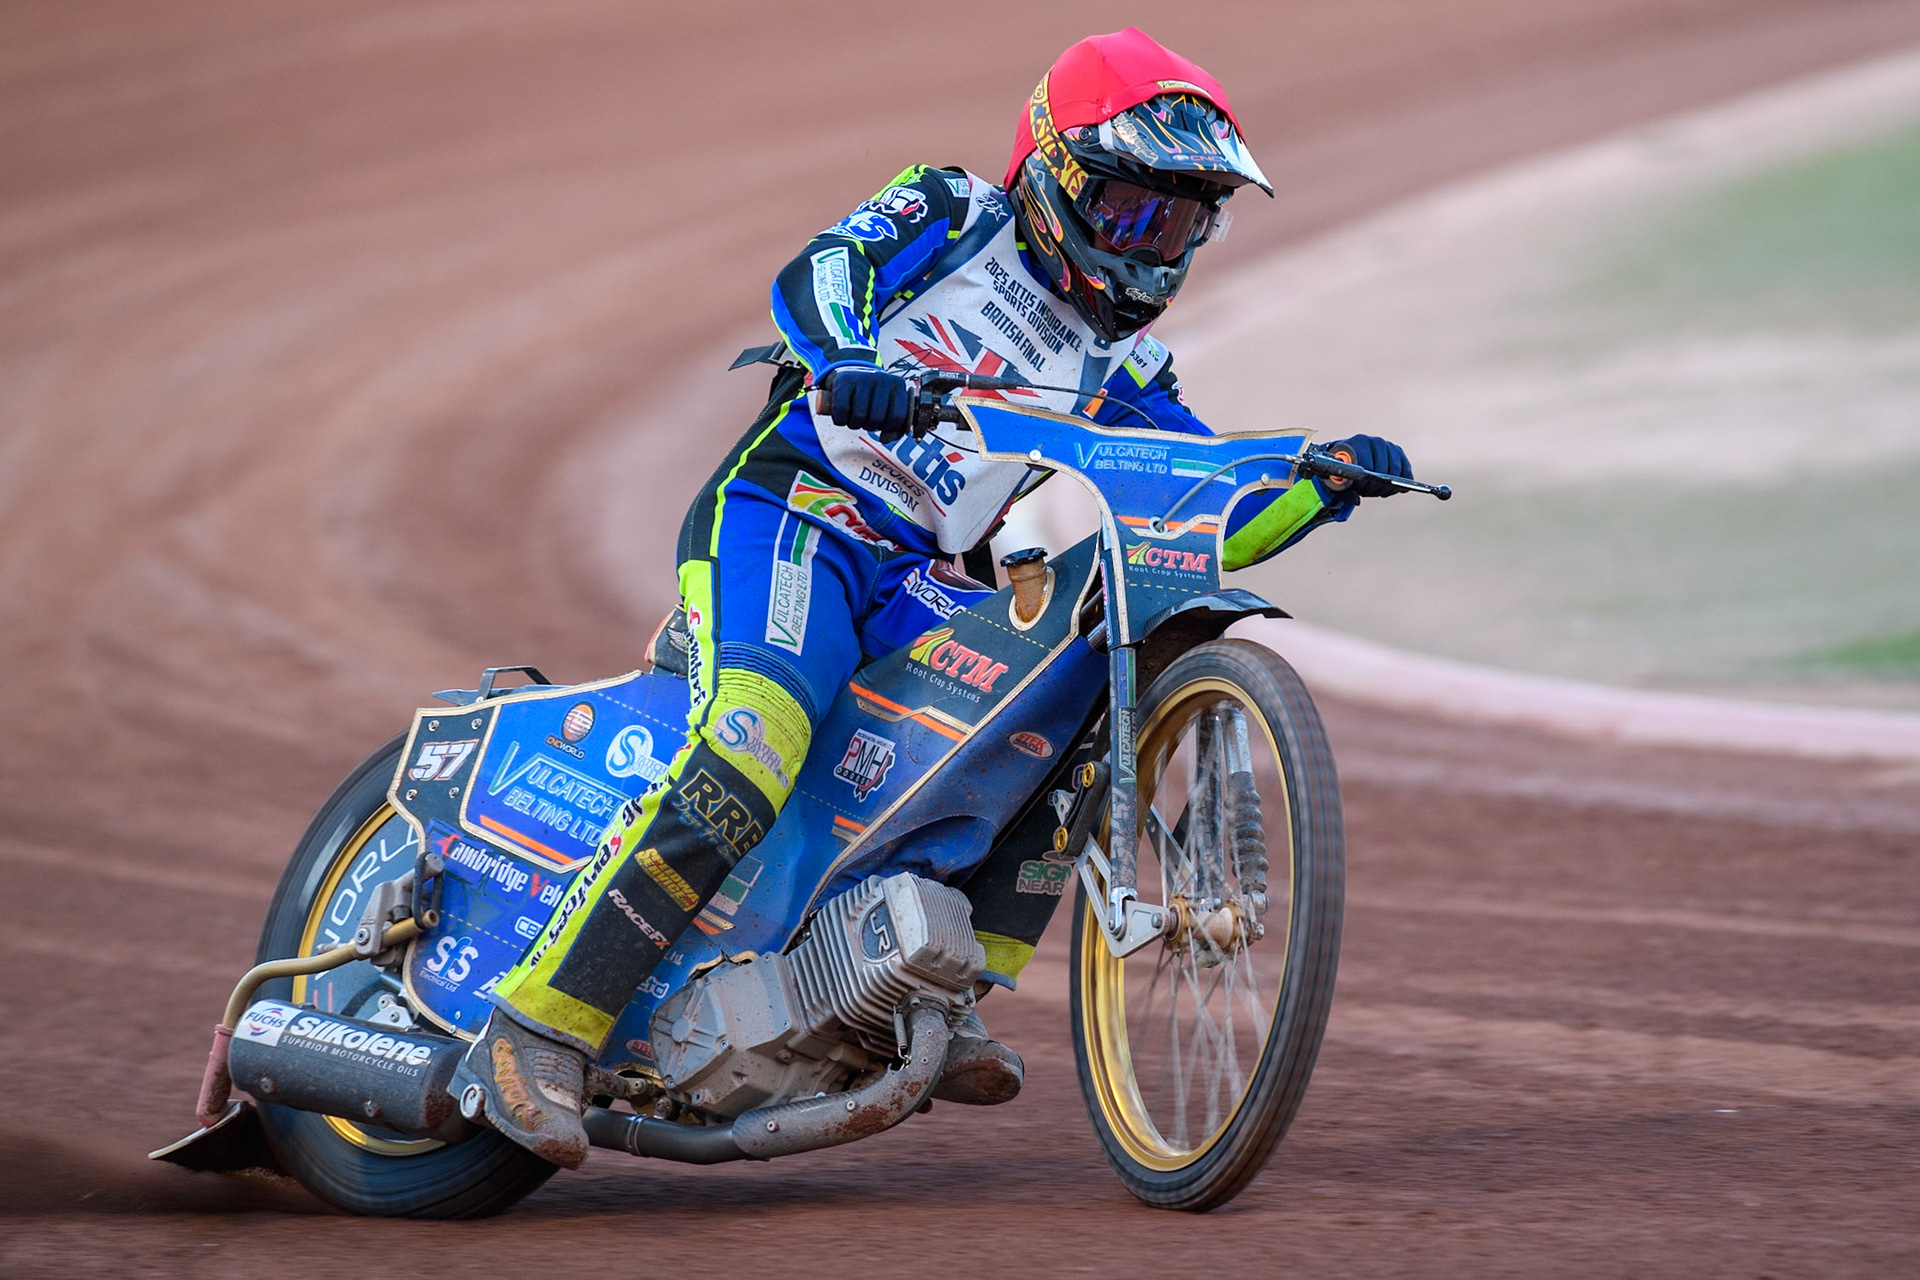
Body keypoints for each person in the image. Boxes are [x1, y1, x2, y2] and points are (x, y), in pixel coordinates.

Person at [450, 26, 1414, 1168]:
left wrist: (1319, 483)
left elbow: (1195, 507)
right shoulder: (953, 213)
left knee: (1055, 703)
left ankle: (943, 988)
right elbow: (818, 271)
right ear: (1055, 175)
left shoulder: (1131, 373)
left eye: (1179, 222)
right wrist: (851, 355)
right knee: (755, 737)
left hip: (917, 577)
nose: (1151, 248)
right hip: (794, 516)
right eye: (1130, 209)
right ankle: (534, 1030)